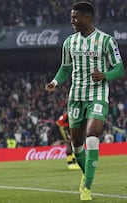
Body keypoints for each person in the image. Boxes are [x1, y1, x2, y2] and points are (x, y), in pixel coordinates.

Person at [45, 1, 124, 200]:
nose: (72, 21)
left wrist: (105, 75)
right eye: (71, 17)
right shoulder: (69, 42)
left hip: (97, 95)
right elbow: (65, 68)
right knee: (77, 143)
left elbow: (119, 69)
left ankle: (86, 188)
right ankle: (85, 175)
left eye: (75, 17)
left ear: (87, 18)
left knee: (92, 135)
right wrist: (55, 82)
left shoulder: (107, 41)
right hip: (76, 97)